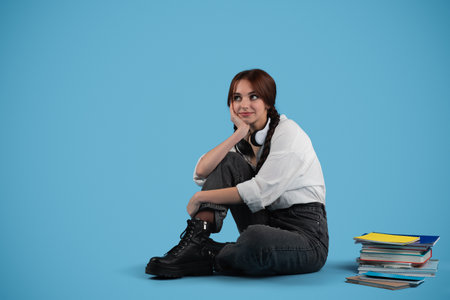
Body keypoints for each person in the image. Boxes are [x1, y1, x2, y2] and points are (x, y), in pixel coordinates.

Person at [146, 69, 328, 277]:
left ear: (268, 102)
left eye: (254, 96)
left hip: (305, 236)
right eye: (236, 98)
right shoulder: (245, 139)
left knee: (254, 239)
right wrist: (239, 133)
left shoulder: (289, 133)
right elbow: (202, 170)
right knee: (228, 161)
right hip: (264, 220)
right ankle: (194, 242)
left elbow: (259, 191)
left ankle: (207, 254)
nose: (244, 105)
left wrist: (200, 197)